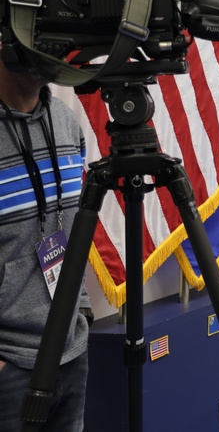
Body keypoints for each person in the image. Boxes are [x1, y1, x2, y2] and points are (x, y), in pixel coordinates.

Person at [0, 56, 88, 431]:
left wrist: (82, 312)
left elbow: (73, 232)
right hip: (10, 367)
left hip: (72, 353)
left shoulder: (67, 122)